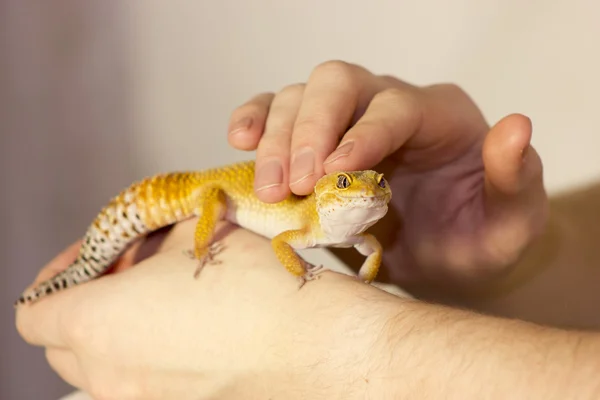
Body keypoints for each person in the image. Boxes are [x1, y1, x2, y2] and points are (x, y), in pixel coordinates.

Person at [15, 61, 600, 399]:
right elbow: (278, 239)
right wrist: (517, 265)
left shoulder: (364, 234)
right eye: (352, 184)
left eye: (378, 189)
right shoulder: (306, 218)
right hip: (201, 194)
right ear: (324, 191)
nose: (370, 192)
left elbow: (368, 253)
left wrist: (327, 348)